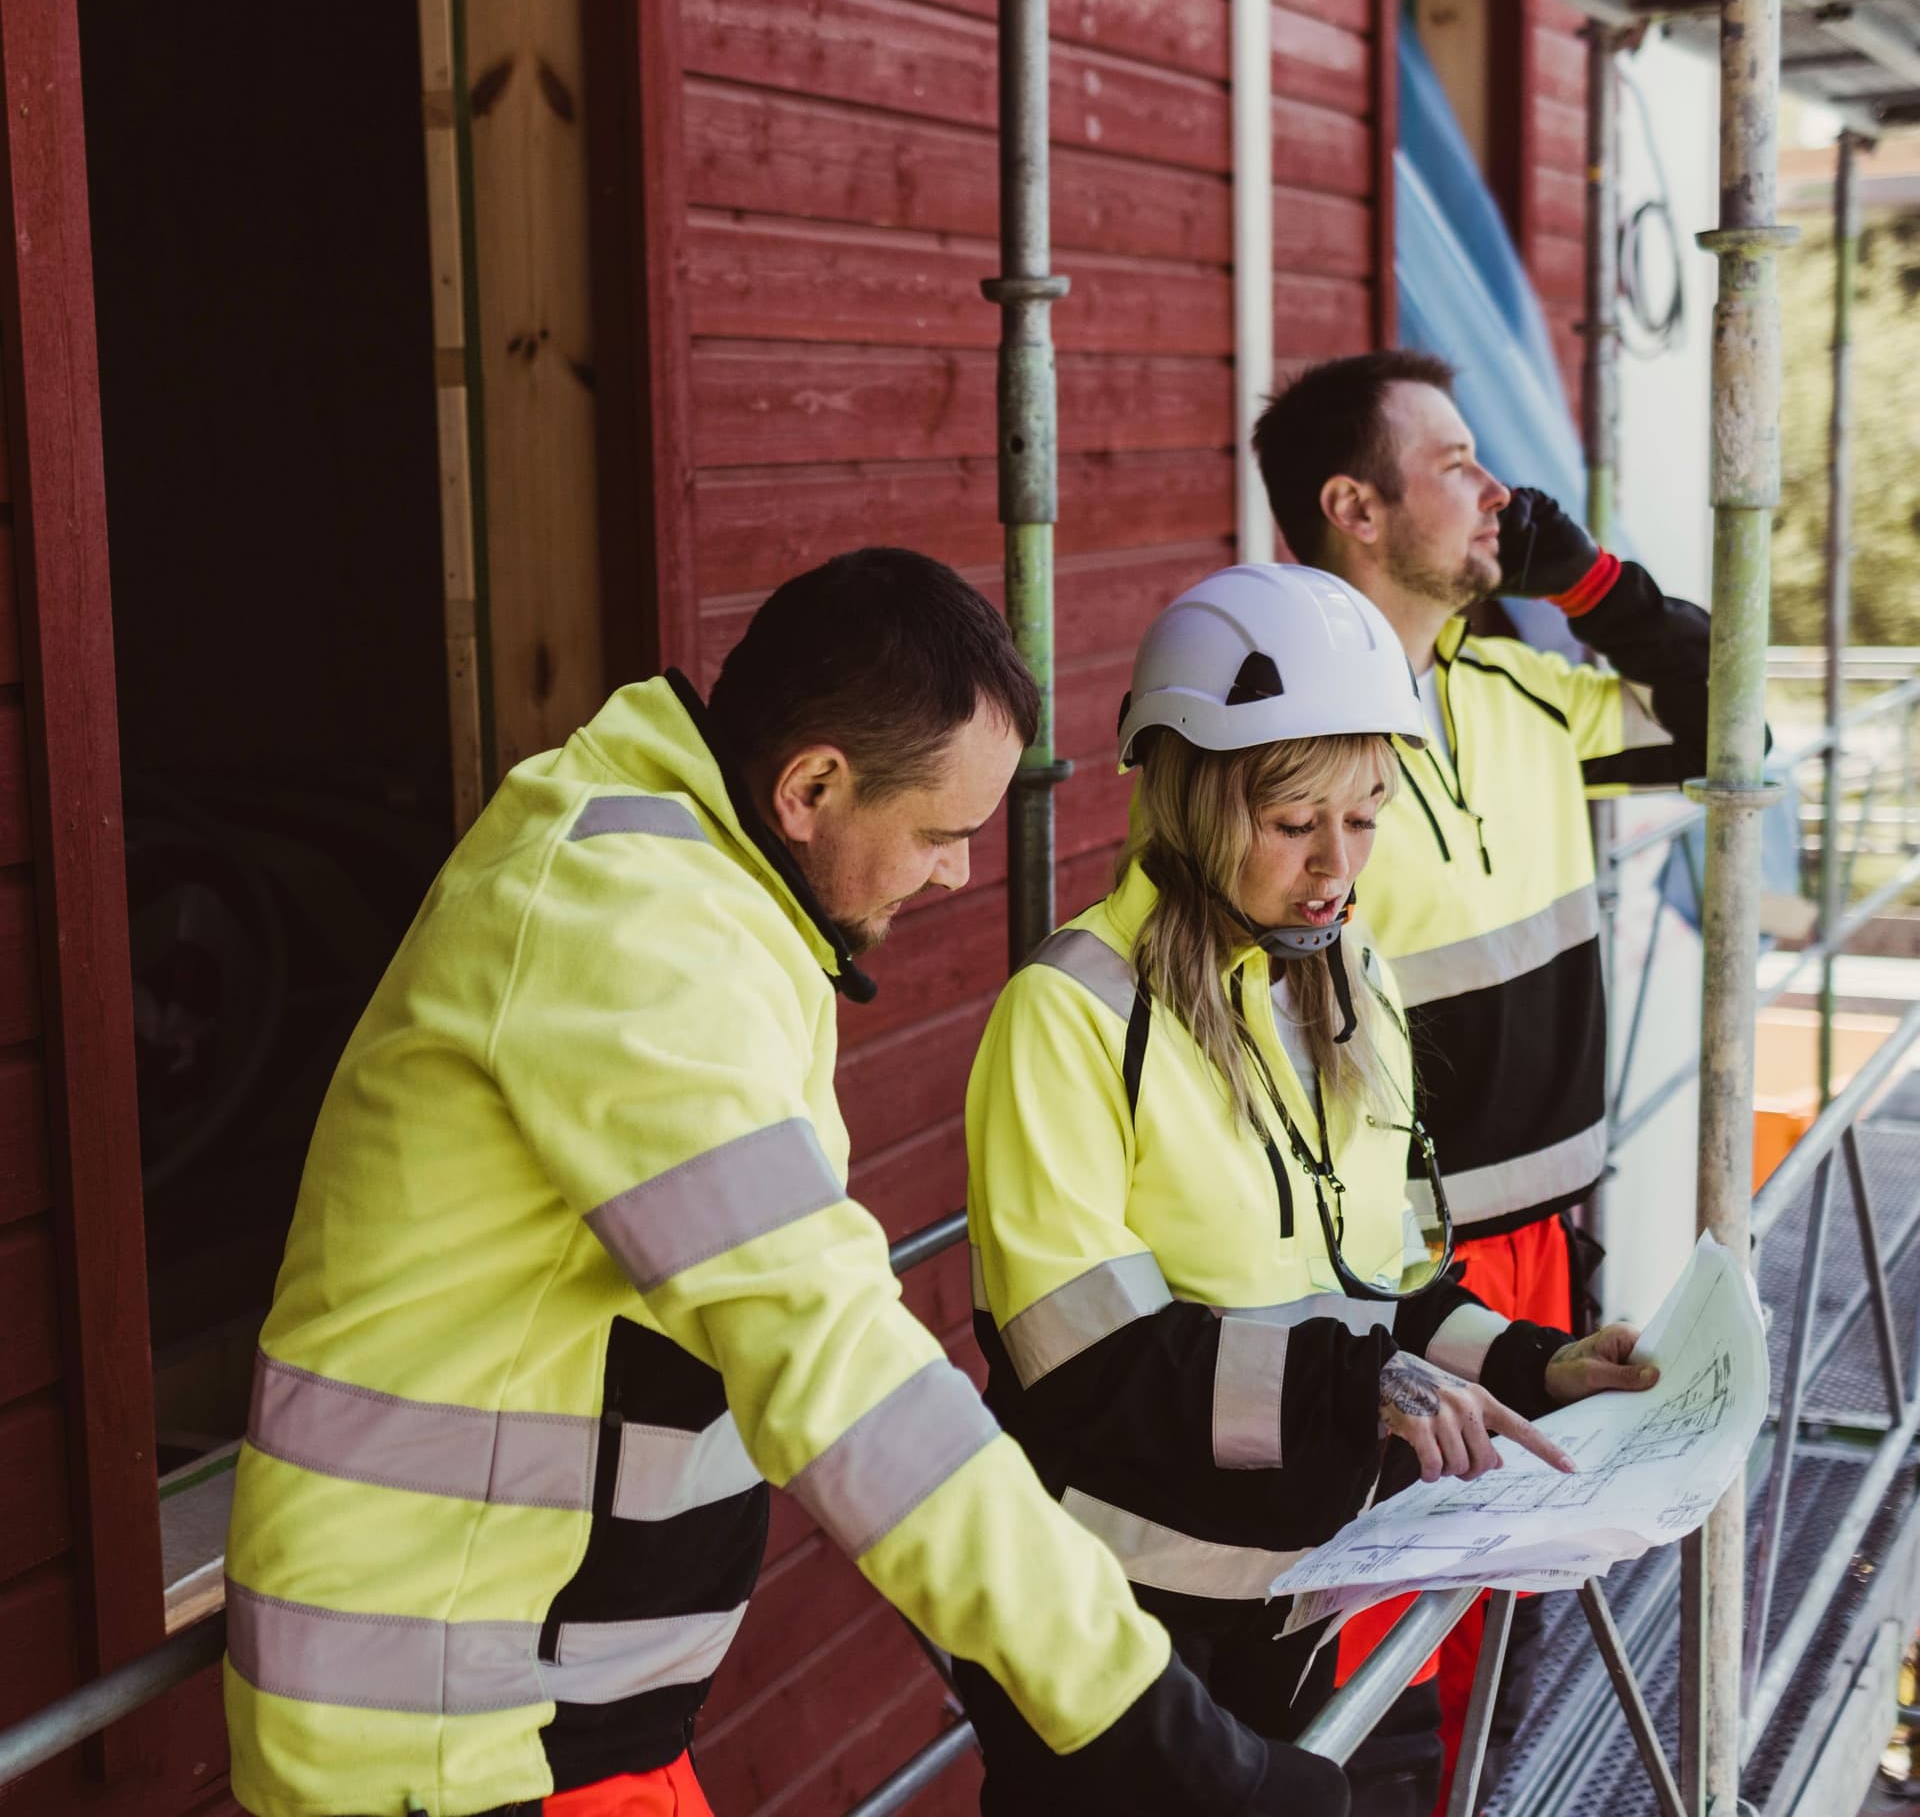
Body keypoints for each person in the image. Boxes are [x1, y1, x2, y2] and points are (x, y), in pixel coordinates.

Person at [221, 549, 1361, 1817]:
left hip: (538, 1711)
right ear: (813, 784)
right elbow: (834, 1363)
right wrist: (1147, 1725)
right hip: (448, 1746)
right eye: (938, 834)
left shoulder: (703, 899)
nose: (957, 875)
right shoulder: (633, 937)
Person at [954, 561, 1658, 1816]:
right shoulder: (1064, 1016)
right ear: (1186, 799)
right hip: (1113, 1620)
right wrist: (1362, 1389)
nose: (1338, 867)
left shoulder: (1343, 976)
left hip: (1296, 1583)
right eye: (1294, 824)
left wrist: (1530, 1364)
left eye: (1369, 816)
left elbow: (1375, 1280)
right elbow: (1089, 1367)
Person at [1251, 352, 1714, 1813]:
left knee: (1491, 1652)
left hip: (1546, 1253)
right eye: (1454, 460)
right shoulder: (1272, 742)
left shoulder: (1526, 689)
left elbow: (1738, 718)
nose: (1499, 491)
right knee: (1365, 1664)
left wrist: (1601, 592)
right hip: (1386, 1282)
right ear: (1354, 507)